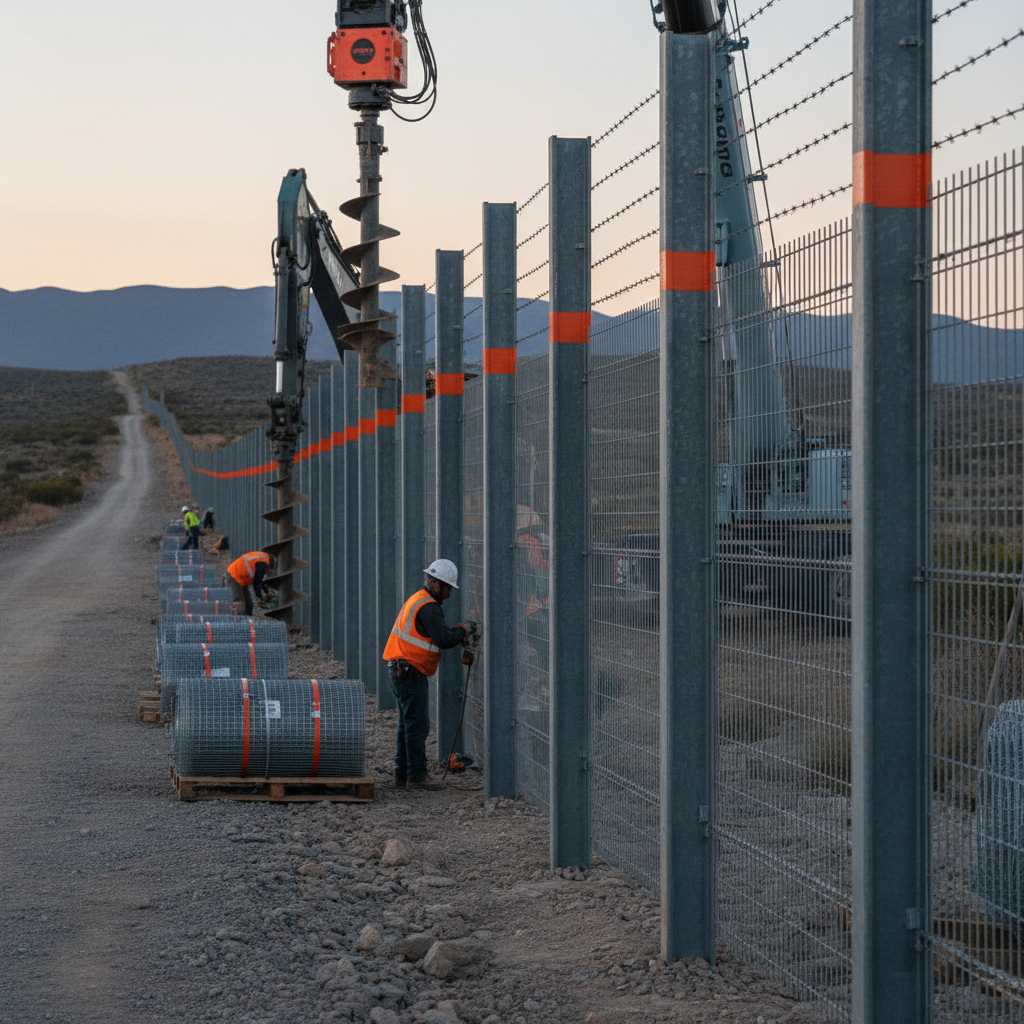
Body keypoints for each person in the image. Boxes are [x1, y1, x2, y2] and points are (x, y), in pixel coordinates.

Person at [382, 559, 469, 791]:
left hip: (401, 669)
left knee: (407, 725)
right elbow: (443, 639)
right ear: (437, 584)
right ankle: (417, 776)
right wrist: (463, 631)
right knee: (418, 725)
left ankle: (403, 775)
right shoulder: (428, 606)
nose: (450, 593)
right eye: (448, 587)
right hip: (410, 671)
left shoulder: (418, 599)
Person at [226, 550, 274, 615]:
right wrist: (259, 596)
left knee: (249, 604)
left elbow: (260, 580)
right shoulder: (264, 564)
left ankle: (247, 622)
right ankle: (236, 623)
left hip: (241, 577)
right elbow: (256, 582)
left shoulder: (264, 559)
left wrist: (266, 592)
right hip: (234, 575)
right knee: (239, 603)